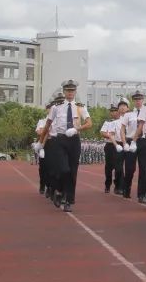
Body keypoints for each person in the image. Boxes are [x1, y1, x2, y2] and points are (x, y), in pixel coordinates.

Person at [37, 80, 92, 212]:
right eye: (68, 90)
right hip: (60, 140)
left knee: (73, 171)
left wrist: (78, 129)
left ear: (75, 92)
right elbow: (48, 124)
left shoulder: (80, 107)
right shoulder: (56, 107)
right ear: (64, 91)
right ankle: (60, 190)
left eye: (72, 90)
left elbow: (89, 123)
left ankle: (68, 200)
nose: (70, 93)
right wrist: (40, 142)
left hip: (74, 140)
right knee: (63, 169)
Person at [121, 91, 145, 199]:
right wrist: (125, 142)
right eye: (136, 99)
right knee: (130, 168)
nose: (138, 101)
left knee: (144, 168)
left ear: (143, 100)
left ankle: (141, 194)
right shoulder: (128, 114)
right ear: (133, 101)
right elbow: (122, 129)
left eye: (139, 99)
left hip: (144, 141)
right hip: (131, 141)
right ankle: (127, 189)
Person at [100, 104, 121, 193]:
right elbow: (102, 132)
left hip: (120, 145)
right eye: (111, 111)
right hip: (110, 146)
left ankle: (118, 186)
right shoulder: (107, 122)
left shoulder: (122, 121)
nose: (113, 113)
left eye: (114, 111)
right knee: (109, 167)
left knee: (119, 167)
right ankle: (107, 184)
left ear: (118, 111)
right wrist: (110, 135)